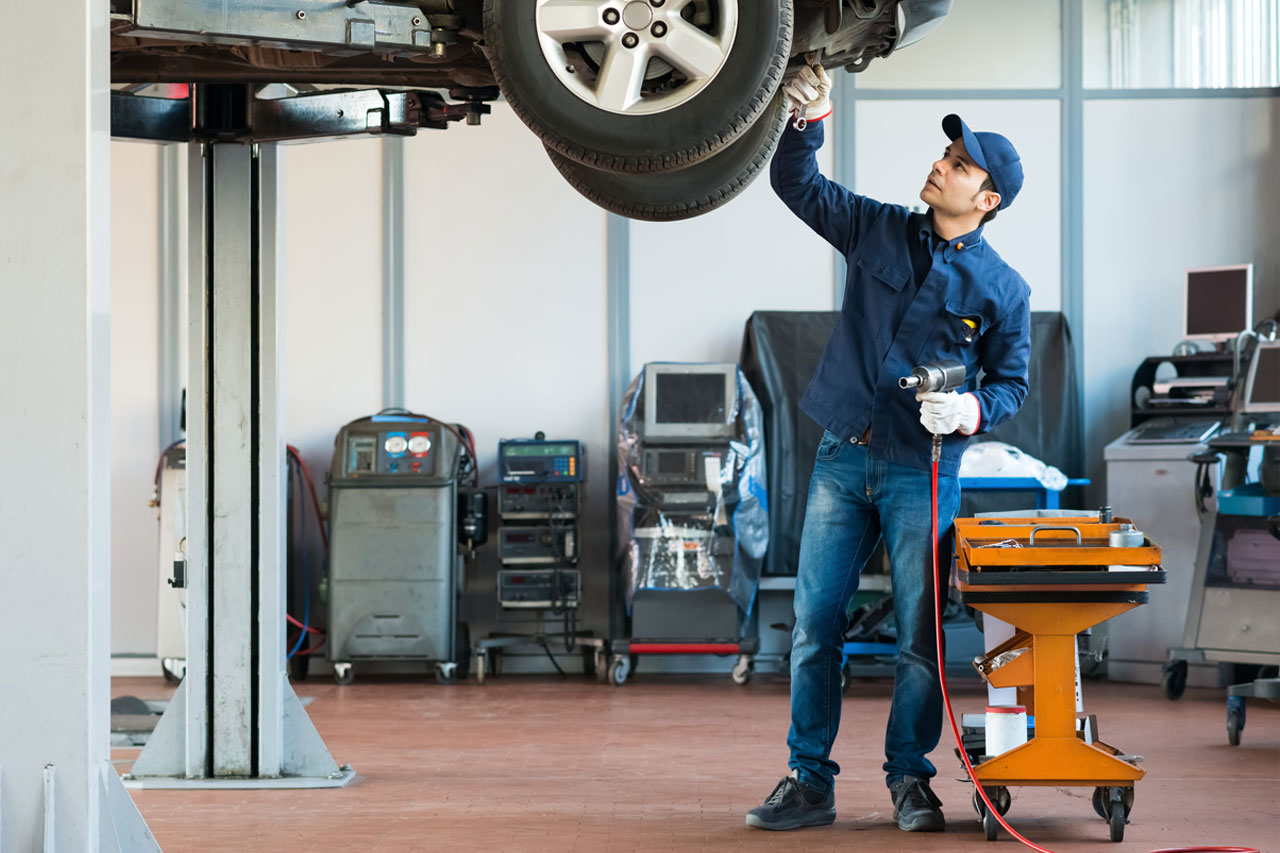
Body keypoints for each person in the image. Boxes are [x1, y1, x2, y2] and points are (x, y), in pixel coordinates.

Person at [745, 64, 1032, 833]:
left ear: (988, 200)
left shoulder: (1005, 290)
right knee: (814, 625)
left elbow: (1013, 385)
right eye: (947, 155)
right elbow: (796, 185)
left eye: (961, 164)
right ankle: (809, 780)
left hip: (923, 472)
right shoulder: (876, 227)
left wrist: (971, 407)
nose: (942, 164)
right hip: (843, 456)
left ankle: (911, 778)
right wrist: (811, 118)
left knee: (920, 637)